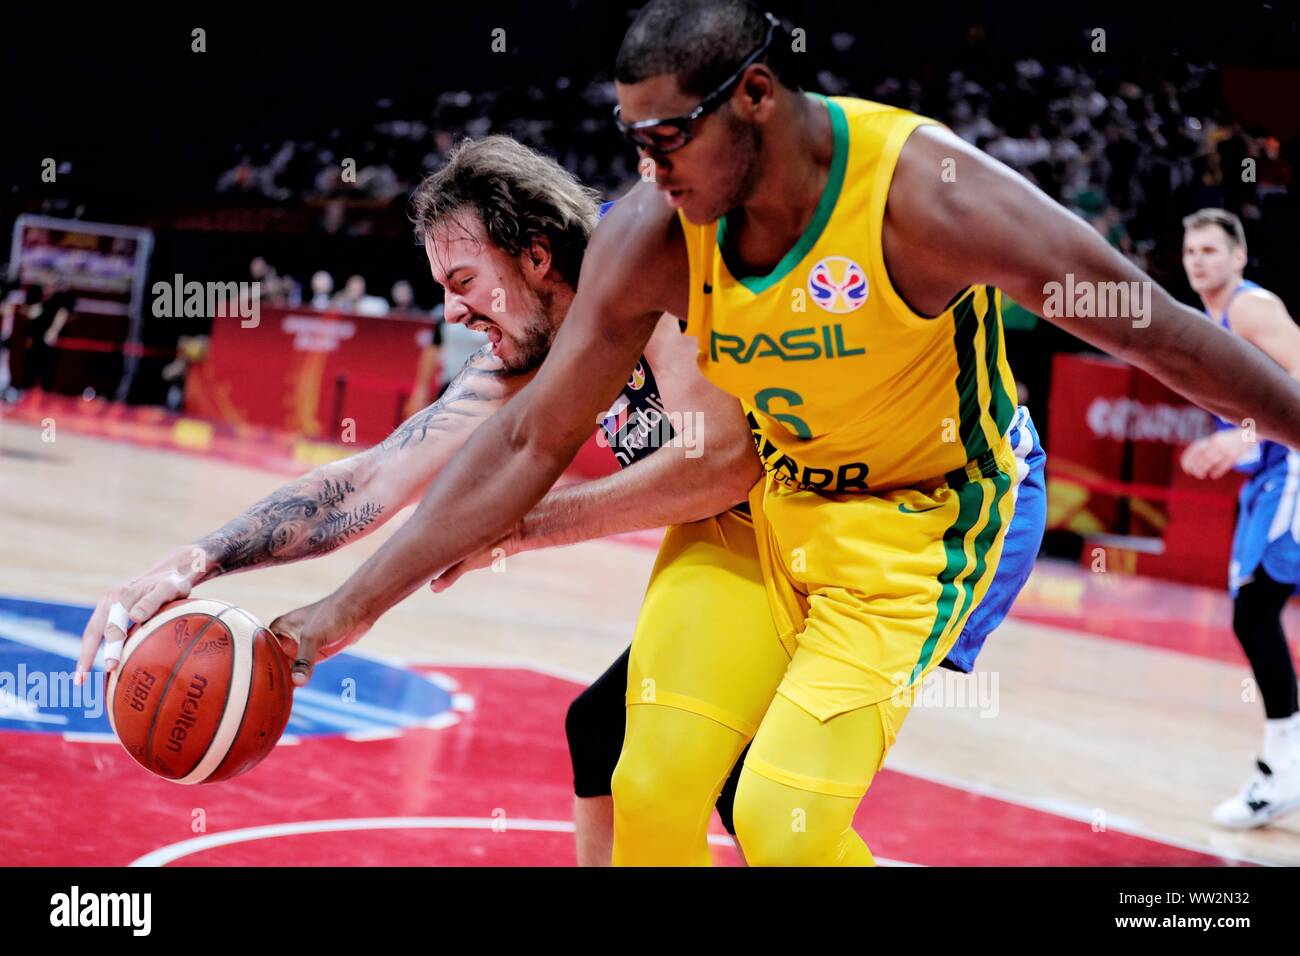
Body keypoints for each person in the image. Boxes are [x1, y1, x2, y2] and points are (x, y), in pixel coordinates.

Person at [257, 1, 1300, 866]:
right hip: (771, 508)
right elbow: (530, 437)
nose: (650, 169)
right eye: (634, 143)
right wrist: (343, 609)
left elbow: (1154, 329)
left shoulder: (927, 195)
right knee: (651, 781)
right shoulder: (652, 230)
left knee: (780, 822)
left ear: (754, 95)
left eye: (667, 139)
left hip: (926, 522)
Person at [1178, 207, 1300, 828]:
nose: (1197, 259)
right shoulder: (1206, 318)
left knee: (1255, 611)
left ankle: (1284, 766)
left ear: (1239, 257)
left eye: (1210, 249)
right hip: (1273, 474)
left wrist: (1244, 437)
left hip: (1294, 468)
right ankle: (1284, 765)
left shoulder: (1250, 309)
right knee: (1255, 612)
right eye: (1190, 250)